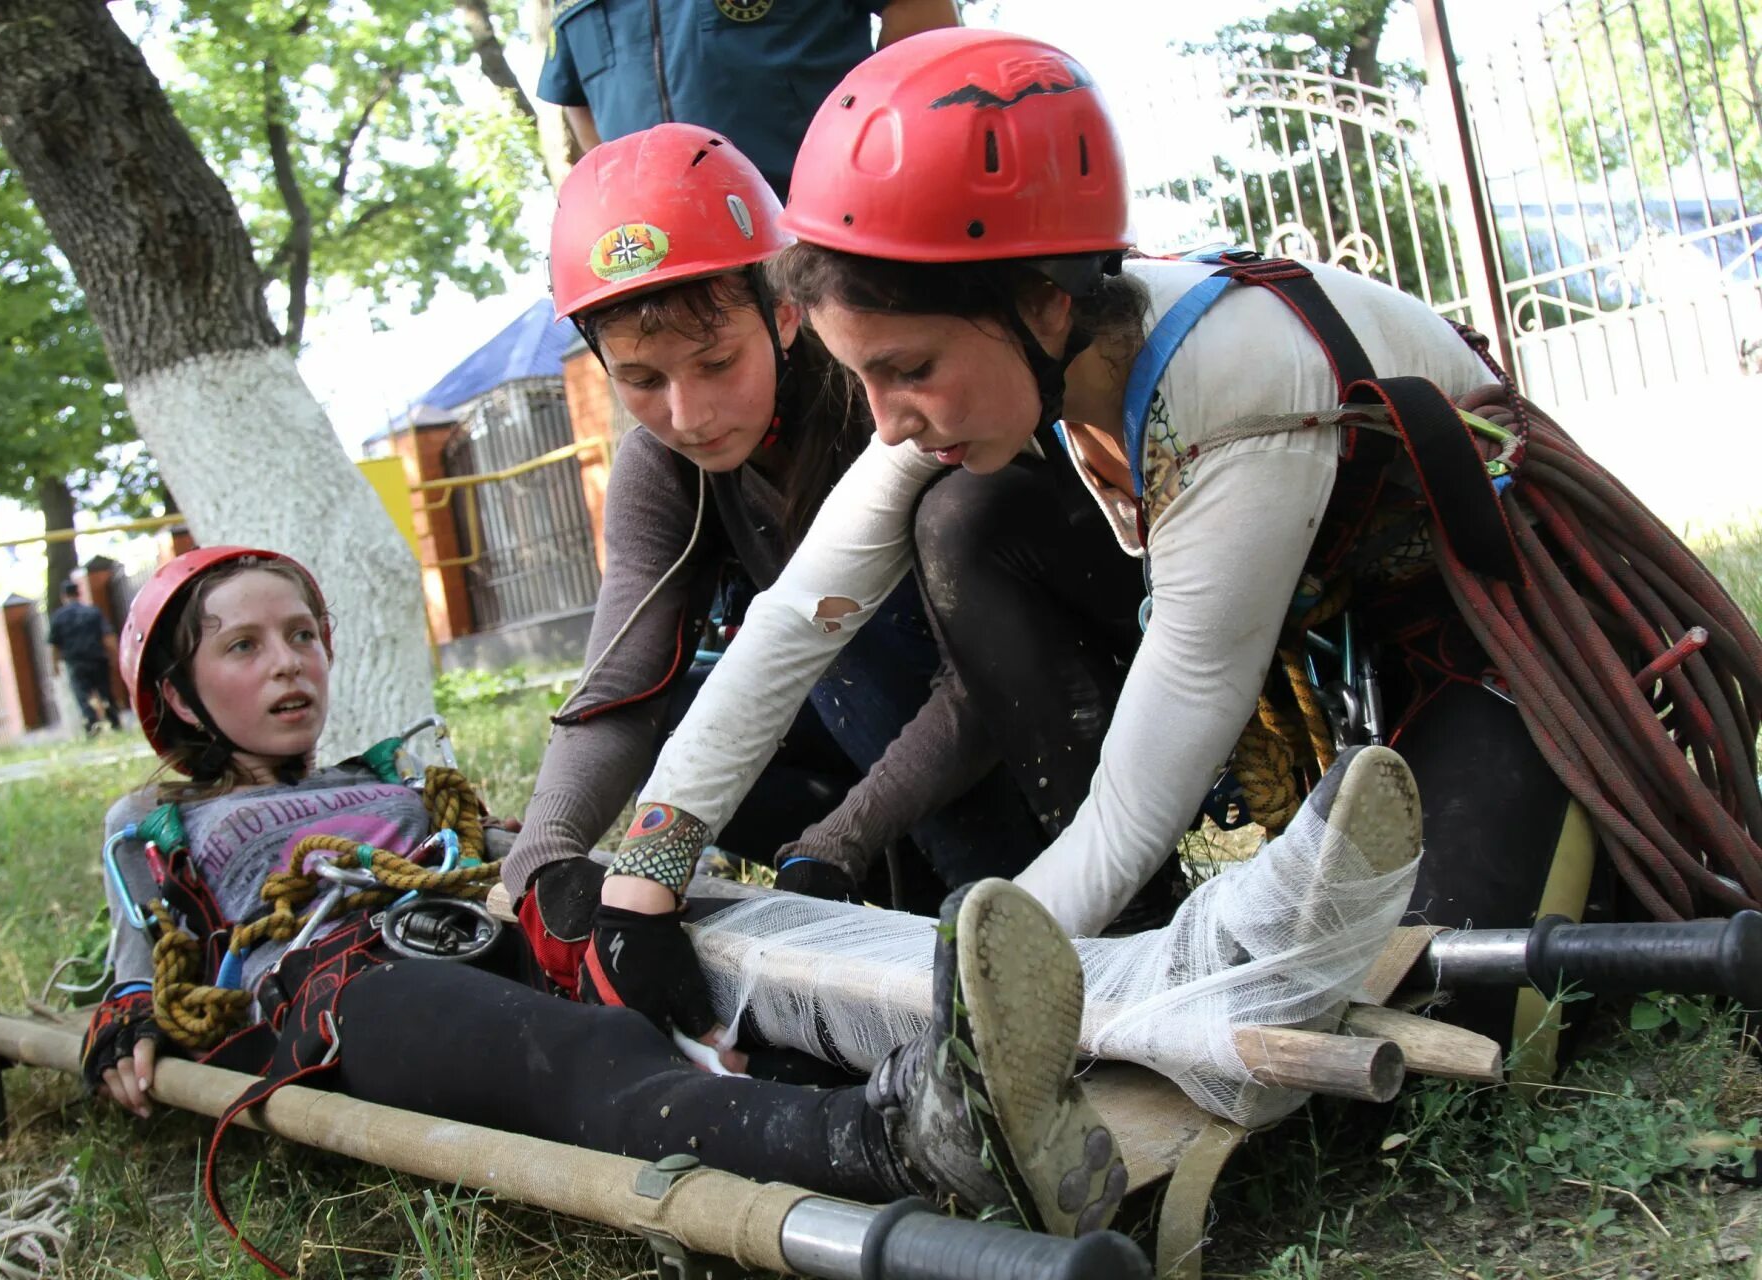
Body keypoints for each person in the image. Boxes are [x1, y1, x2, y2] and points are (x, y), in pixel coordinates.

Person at [590, 27, 1749, 1056]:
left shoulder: (1237, 395)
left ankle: (1569, 841)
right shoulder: (1008, 349)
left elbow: (1135, 805)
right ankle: (1138, 931)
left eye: (909, 371)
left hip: (1505, 655)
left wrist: (970, 991)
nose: (886, 419)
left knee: (1447, 1016)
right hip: (1338, 665)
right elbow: (799, 614)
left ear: (1044, 304)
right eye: (863, 375)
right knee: (969, 517)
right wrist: (645, 872)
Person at [84, 545, 1134, 1266]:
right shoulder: (164, 816)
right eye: (244, 646)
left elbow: (522, 856)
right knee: (584, 1057)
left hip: (481, 931)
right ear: (175, 691)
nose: (290, 664)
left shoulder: (402, 781)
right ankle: (895, 1139)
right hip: (345, 982)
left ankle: (951, 1083)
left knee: (664, 986)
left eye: (302, 634)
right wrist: (127, 1011)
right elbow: (146, 952)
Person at [509, 124, 1054, 1034]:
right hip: (868, 759)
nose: (687, 413)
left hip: (1018, 740)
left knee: (846, 634)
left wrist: (836, 842)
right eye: (641, 379)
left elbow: (983, 667)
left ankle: (977, 891)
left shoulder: (891, 398)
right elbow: (621, 682)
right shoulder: (663, 467)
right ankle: (890, 889)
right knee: (679, 697)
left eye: (718, 361)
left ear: (786, 311)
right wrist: (548, 861)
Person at [537, 0, 958, 199]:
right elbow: (575, 92)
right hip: (673, 263)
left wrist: (880, 159)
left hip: (825, 235)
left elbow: (920, 11)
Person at [48, 579, 121, 735]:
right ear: (78, 593)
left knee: (82, 695)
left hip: (75, 663)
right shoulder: (93, 612)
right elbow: (107, 636)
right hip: (98, 659)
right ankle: (114, 723)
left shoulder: (58, 617)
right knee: (105, 692)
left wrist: (54, 665)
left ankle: (92, 725)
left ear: (63, 596)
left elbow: (54, 645)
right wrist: (116, 655)